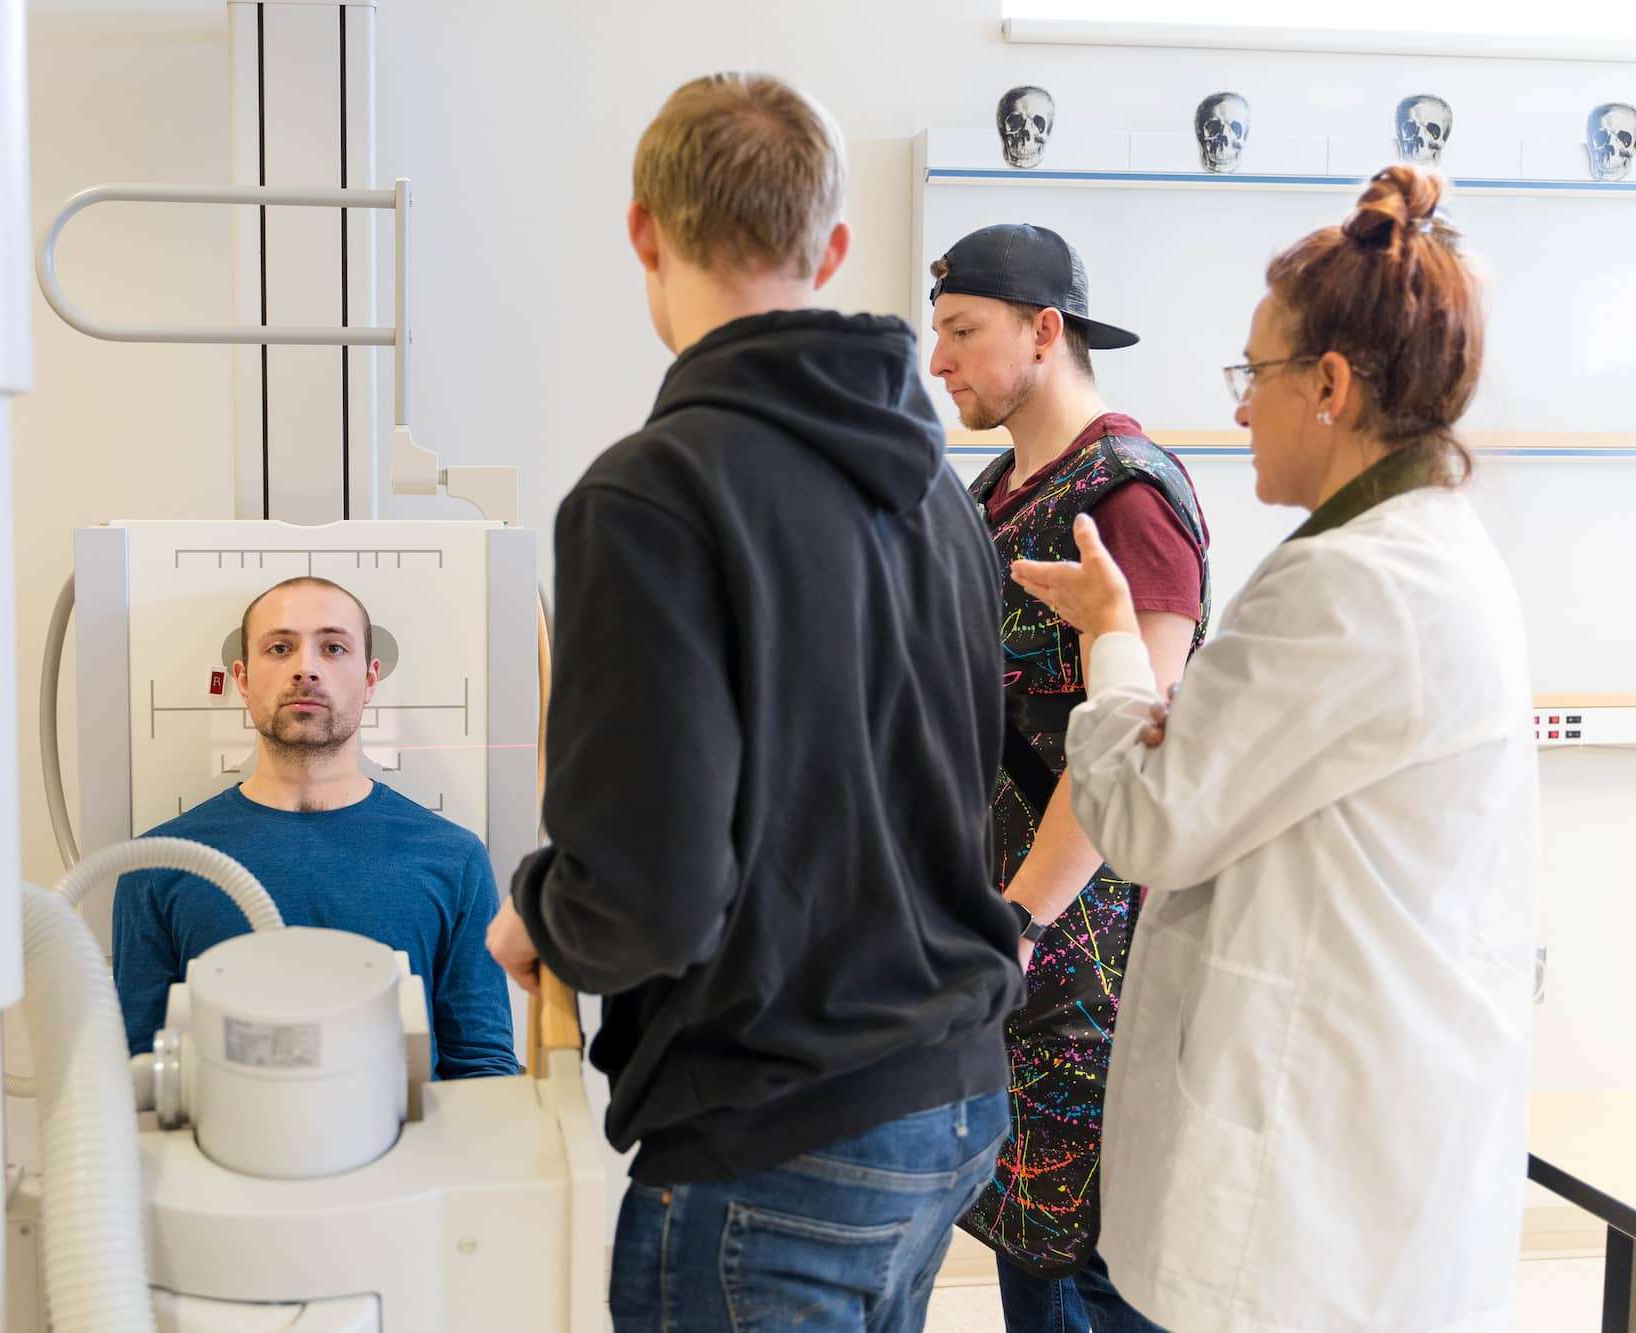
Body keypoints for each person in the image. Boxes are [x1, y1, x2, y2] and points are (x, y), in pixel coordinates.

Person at [482, 72, 1023, 1331]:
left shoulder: (649, 498)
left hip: (779, 1131)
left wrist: (539, 921)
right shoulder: (939, 497)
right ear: (832, 245)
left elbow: (645, 899)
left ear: (641, 231)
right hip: (943, 1100)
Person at [1013, 165, 1537, 1331]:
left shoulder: (1349, 583)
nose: (1239, 408)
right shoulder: (1426, 555)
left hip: (1305, 1190)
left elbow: (1148, 817)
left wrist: (1108, 643)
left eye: (1254, 376)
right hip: (1354, 1142)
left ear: (1330, 386)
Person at [929, 222, 1207, 1333]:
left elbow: (1134, 741)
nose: (938, 360)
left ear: (1044, 332)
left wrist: (1020, 918)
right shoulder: (992, 491)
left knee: (1086, 1266)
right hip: (1005, 945)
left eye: (960, 331)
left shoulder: (1129, 495)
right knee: (1025, 1250)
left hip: (1085, 955)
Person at [112, 575, 520, 1080]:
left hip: (408, 1154)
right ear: (242, 679)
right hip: (225, 1152)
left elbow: (483, 1065)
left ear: (370, 680)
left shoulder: (452, 858)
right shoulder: (159, 862)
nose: (305, 669)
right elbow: (137, 1075)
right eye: (280, 648)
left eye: (333, 648)